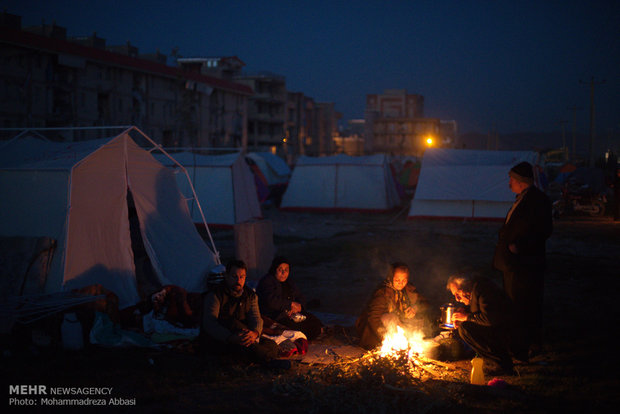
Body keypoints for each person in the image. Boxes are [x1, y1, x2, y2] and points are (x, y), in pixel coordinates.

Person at [493, 161, 552, 357]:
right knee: (516, 302)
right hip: (514, 263)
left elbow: (543, 230)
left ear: (521, 181)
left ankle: (522, 346)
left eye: (512, 179)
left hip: (525, 264)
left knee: (524, 304)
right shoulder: (522, 198)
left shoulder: (538, 200)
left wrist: (519, 245)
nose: (509, 183)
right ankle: (525, 342)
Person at [200, 259, 282, 366]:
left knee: (271, 344)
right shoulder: (216, 295)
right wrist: (230, 337)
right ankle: (269, 360)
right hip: (223, 337)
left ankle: (260, 356)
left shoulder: (250, 295)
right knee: (235, 327)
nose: (238, 280)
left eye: (242, 277)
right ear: (227, 276)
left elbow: (256, 318)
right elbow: (210, 323)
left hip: (244, 334)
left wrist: (255, 333)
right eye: (234, 277)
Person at [447, 274, 519, 375]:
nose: (457, 299)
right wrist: (465, 311)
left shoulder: (484, 289)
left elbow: (490, 318)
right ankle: (494, 362)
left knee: (465, 328)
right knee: (465, 327)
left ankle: (502, 365)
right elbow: (479, 310)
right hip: (499, 329)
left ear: (466, 285)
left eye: (458, 293)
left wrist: (466, 317)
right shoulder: (474, 290)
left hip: (510, 332)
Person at [355, 262, 432, 350]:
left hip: (399, 327)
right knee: (390, 318)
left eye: (404, 280)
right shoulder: (383, 293)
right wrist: (387, 339)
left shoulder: (408, 290)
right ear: (391, 278)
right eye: (397, 280)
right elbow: (373, 318)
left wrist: (415, 308)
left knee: (419, 320)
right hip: (379, 332)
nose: (400, 283)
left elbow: (425, 303)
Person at [256, 256, 324, 340]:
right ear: (274, 269)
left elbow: (300, 296)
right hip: (276, 316)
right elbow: (270, 301)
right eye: (280, 270)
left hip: (292, 314)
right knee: (300, 330)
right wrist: (290, 305)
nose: (283, 273)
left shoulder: (289, 282)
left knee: (314, 322)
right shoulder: (267, 281)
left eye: (286, 270)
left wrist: (299, 307)